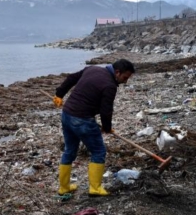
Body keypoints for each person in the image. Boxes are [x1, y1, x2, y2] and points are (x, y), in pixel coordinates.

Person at [53, 59, 135, 197]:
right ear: (117, 72)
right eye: (125, 77)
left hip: (67, 115)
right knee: (98, 151)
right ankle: (95, 188)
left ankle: (64, 188)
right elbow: (106, 110)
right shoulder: (110, 86)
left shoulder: (92, 69)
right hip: (82, 120)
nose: (125, 81)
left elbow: (71, 78)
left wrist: (59, 94)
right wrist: (107, 128)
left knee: (69, 151)